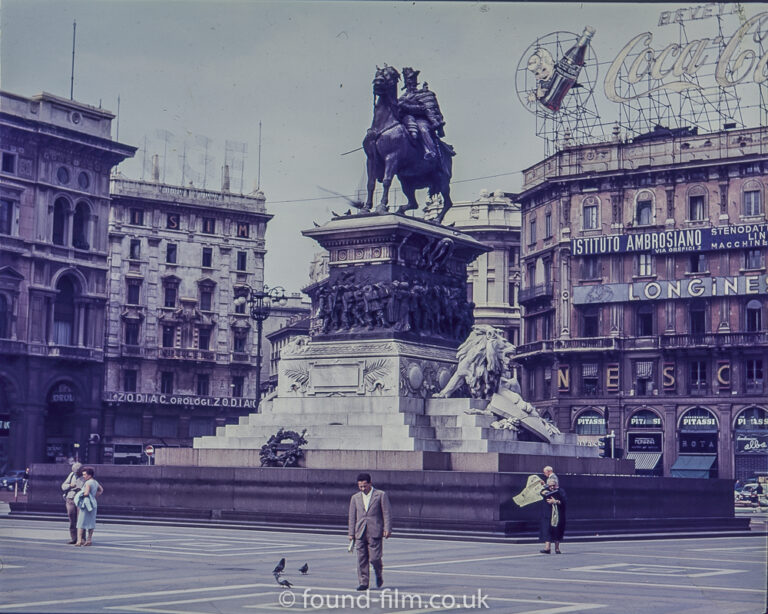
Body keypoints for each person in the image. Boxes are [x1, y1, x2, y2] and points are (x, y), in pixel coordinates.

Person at [348, 472, 392, 591]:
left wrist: (387, 529)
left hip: (375, 530)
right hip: (360, 531)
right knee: (361, 558)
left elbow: (386, 513)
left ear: (370, 484)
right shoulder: (355, 498)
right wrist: (351, 533)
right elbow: (352, 516)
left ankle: (378, 573)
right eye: (360, 486)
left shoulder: (380, 495)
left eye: (364, 486)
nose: (362, 488)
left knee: (374, 558)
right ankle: (364, 582)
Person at [74, 466, 103, 546]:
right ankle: (89, 540)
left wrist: (79, 496)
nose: (83, 476)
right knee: (91, 522)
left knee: (81, 522)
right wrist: (93, 496)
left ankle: (79, 541)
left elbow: (86, 493)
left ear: (89, 475)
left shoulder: (87, 483)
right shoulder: (95, 482)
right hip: (93, 503)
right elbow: (101, 490)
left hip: (86, 504)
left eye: (84, 475)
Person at [539, 476, 566, 554]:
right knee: (547, 531)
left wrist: (555, 501)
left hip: (558, 515)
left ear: (556, 485)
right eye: (550, 485)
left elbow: (564, 501)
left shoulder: (561, 491)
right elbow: (543, 493)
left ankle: (557, 549)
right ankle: (547, 548)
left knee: (557, 531)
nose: (552, 487)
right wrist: (545, 487)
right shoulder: (545, 491)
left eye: (553, 485)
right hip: (547, 515)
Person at [61, 461, 84, 544]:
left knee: (80, 520)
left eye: (78, 472)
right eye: (75, 472)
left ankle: (81, 538)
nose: (76, 473)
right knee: (71, 519)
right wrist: (70, 485)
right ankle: (74, 538)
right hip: (70, 499)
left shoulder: (85, 476)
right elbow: (63, 486)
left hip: (81, 500)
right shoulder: (71, 475)